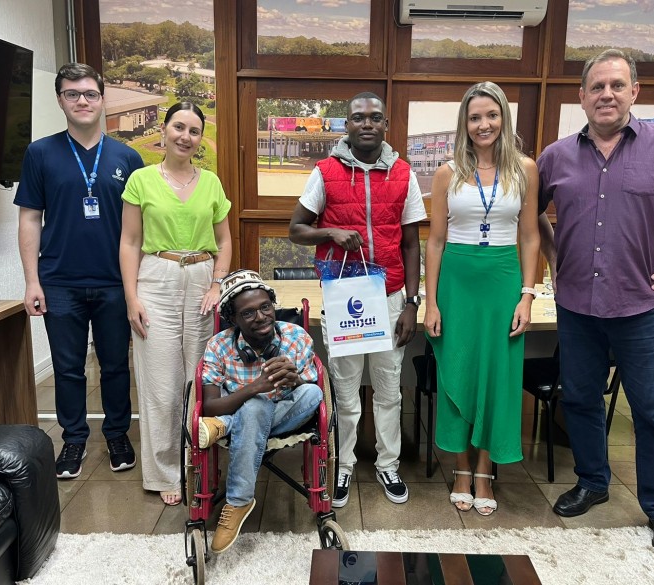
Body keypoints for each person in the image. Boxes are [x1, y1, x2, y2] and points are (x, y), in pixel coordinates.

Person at [537, 49, 654, 560]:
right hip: (577, 307)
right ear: (582, 96)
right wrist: (554, 258)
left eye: (617, 85)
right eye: (597, 87)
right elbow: (530, 214)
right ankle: (592, 482)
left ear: (634, 92)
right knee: (580, 400)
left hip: (643, 307)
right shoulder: (556, 156)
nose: (607, 95)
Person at [289, 92, 426, 507]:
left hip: (389, 296)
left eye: (375, 117)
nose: (367, 123)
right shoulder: (325, 172)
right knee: (345, 390)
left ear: (385, 125)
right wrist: (330, 232)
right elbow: (296, 229)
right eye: (358, 117)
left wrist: (412, 303)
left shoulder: (404, 174)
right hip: (344, 294)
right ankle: (343, 464)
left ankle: (388, 464)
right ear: (346, 125)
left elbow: (412, 244)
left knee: (389, 389)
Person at [15, 63, 143, 479]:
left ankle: (117, 434)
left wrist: (136, 286)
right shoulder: (40, 153)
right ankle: (73, 440)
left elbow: (139, 228)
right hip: (59, 281)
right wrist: (32, 281)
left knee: (115, 366)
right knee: (67, 368)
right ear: (60, 101)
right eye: (72, 94)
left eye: (90, 93)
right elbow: (30, 218)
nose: (82, 101)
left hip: (114, 281)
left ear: (103, 100)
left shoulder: (128, 157)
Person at [423, 82, 540, 516]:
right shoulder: (447, 172)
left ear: (503, 118)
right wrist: (431, 302)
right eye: (475, 117)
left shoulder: (525, 169)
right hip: (457, 283)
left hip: (503, 281)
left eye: (491, 115)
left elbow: (530, 237)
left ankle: (486, 468)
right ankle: (460, 468)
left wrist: (526, 296)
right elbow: (435, 241)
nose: (483, 124)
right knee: (459, 369)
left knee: (497, 376)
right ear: (465, 123)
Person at [119, 101, 232, 506]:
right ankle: (166, 471)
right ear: (164, 130)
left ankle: (199, 464)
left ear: (201, 138)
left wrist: (217, 283)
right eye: (179, 127)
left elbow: (224, 241)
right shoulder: (141, 180)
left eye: (194, 131)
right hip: (156, 278)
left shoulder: (212, 183)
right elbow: (130, 241)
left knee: (200, 379)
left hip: (202, 279)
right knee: (161, 384)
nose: (186, 136)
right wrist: (131, 296)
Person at [197, 270, 323, 553]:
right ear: (233, 319)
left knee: (313, 393)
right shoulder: (218, 346)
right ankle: (239, 501)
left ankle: (225, 425)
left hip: (286, 410)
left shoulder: (296, 337)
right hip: (246, 411)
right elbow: (209, 405)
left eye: (266, 307)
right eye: (248, 313)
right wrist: (255, 388)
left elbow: (309, 390)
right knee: (255, 406)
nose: (261, 317)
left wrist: (295, 379)